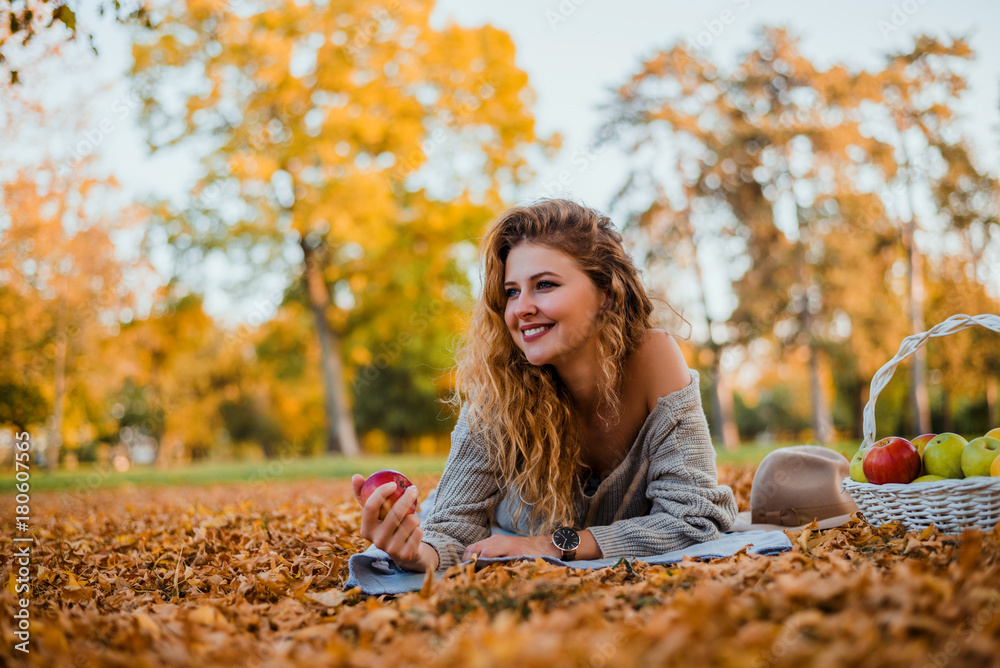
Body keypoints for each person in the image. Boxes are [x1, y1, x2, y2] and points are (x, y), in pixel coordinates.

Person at [351, 198, 738, 573]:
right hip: (494, 515)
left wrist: (547, 545)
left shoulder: (654, 359)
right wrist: (418, 555)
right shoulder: (499, 386)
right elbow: (452, 531)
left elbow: (696, 516)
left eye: (546, 285)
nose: (521, 308)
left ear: (606, 292)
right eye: (512, 292)